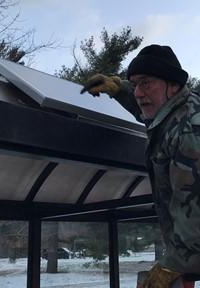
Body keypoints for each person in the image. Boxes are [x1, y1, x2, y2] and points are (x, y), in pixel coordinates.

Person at [81, 44, 200, 287]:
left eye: (145, 83)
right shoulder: (174, 109)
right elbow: (148, 110)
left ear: (174, 85)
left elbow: (195, 210)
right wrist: (119, 89)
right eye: (135, 84)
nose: (138, 92)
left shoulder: (190, 132)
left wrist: (173, 266)